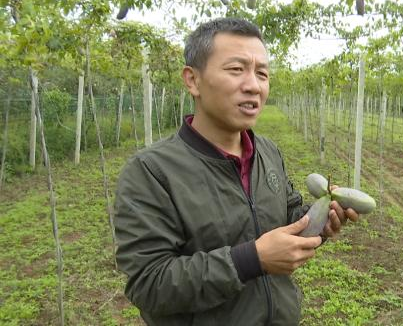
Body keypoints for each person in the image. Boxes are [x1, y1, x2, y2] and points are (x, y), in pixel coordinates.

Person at [113, 17, 359, 325]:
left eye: (262, 73)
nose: (253, 85)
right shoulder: (151, 172)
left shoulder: (267, 152)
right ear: (192, 80)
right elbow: (149, 284)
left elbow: (288, 215)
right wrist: (251, 260)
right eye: (236, 69)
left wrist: (319, 222)